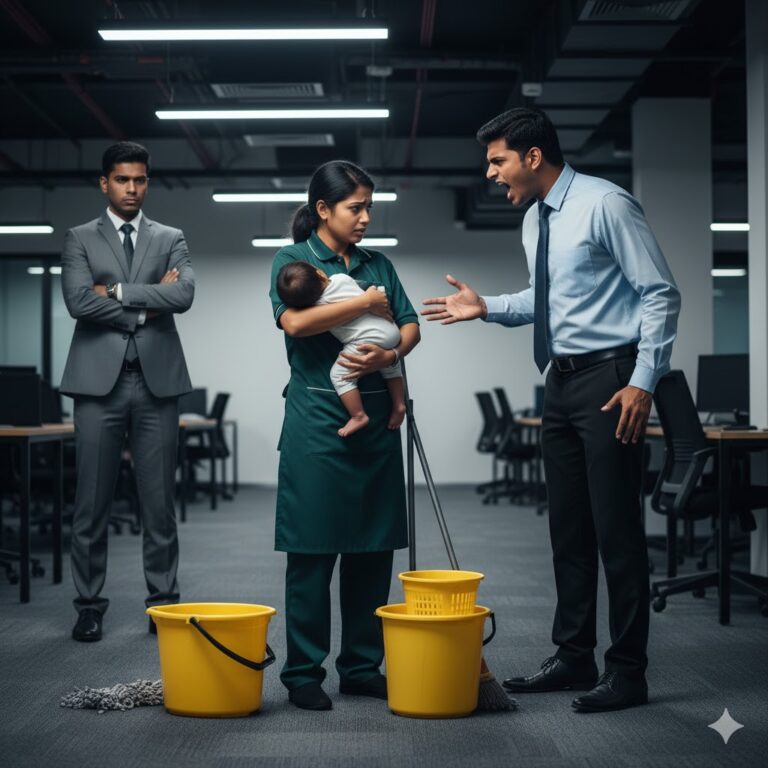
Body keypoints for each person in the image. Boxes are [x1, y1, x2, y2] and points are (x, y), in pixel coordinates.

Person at [422, 108, 680, 712]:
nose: (490, 174)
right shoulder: (536, 219)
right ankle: (573, 656)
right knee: (567, 529)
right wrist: (486, 306)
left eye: (497, 160)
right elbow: (548, 301)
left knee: (617, 531)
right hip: (559, 384)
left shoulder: (605, 204)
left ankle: (628, 671)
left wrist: (644, 381)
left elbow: (660, 293)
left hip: (612, 380)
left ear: (532, 157)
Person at [269, 160, 420, 711]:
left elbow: (409, 324)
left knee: (373, 550)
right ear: (323, 210)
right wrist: (363, 303)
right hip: (316, 424)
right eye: (356, 208)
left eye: (368, 207)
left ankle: (361, 666)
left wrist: (393, 352)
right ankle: (304, 673)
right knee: (311, 551)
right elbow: (297, 323)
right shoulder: (292, 260)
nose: (365, 217)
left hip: (378, 421)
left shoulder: (379, 262)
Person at [60, 141, 195, 642]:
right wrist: (147, 303)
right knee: (90, 503)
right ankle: (89, 605)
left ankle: (162, 603)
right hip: (97, 387)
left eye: (139, 179)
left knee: (159, 504)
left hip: (156, 383)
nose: (132, 188)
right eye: (122, 179)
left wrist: (113, 292)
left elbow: (183, 294)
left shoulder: (170, 236)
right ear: (105, 183)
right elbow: (77, 302)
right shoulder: (78, 239)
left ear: (147, 182)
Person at [275, 260, 406, 437]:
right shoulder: (341, 278)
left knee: (339, 376)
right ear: (320, 273)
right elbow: (372, 293)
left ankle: (358, 416)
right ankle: (399, 404)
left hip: (367, 338)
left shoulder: (318, 306)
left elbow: (302, 322)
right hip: (391, 330)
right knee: (390, 366)